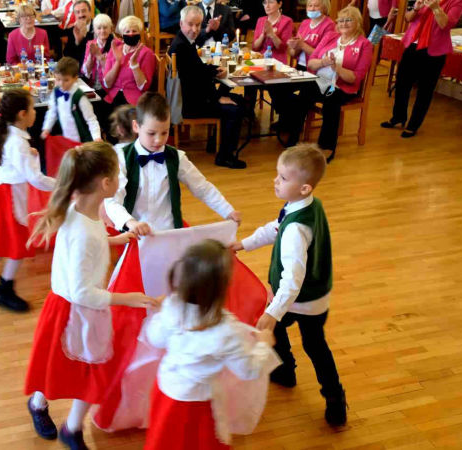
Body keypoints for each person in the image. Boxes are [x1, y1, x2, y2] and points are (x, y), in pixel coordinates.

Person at [93, 92, 241, 429]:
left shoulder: (177, 157)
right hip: (141, 243)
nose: (159, 140)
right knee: (137, 314)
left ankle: (178, 371)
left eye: (164, 132)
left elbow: (202, 187)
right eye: (151, 133)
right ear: (136, 127)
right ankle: (135, 390)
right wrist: (129, 222)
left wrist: (227, 210)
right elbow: (112, 200)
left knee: (177, 305)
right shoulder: (121, 157)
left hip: (173, 241)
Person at [24, 141, 155, 450]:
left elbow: (88, 243)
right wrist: (128, 298)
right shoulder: (83, 230)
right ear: (106, 183)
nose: (120, 179)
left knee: (82, 370)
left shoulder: (82, 210)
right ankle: (43, 407)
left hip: (72, 308)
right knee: (75, 370)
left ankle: (71, 427)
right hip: (76, 310)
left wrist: (115, 239)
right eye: (118, 174)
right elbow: (82, 291)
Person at [230, 144, 347, 426]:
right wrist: (244, 244)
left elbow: (293, 279)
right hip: (310, 296)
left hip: (300, 299)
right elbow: (276, 227)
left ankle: (329, 395)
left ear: (304, 188)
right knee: (307, 342)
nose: (276, 181)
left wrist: (273, 312)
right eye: (277, 174)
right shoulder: (307, 205)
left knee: (305, 341)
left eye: (283, 178)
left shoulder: (296, 228)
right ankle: (295, 377)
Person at [143, 240, 279, 450]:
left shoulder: (172, 306)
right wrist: (263, 344)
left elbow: (155, 338)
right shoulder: (226, 329)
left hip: (166, 390)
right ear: (222, 287)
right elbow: (249, 371)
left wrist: (160, 312)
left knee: (167, 440)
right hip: (196, 403)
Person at [0, 89, 56, 312]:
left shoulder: (11, 135)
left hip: (4, 192)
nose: (35, 113)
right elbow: (35, 178)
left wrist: (29, 154)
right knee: (18, 243)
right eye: (32, 109)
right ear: (22, 114)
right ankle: (6, 291)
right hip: (8, 196)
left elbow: (16, 162)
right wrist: (60, 184)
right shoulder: (17, 142)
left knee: (6, 239)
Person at [283, 6, 372, 163]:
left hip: (343, 87)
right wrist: (323, 62)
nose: (343, 23)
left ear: (358, 22)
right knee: (304, 92)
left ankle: (326, 147)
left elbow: (356, 78)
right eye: (341, 20)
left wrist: (337, 68)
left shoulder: (364, 44)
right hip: (321, 81)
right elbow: (311, 62)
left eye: (348, 20)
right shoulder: (331, 36)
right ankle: (293, 139)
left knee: (332, 100)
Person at [169, 5, 247, 169]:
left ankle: (215, 141)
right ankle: (225, 156)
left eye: (198, 25)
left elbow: (196, 70)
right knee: (234, 109)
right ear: (181, 23)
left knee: (239, 100)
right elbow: (193, 82)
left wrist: (214, 70)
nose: (195, 29)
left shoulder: (183, 40)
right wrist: (217, 97)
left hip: (193, 96)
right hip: (190, 103)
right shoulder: (181, 46)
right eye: (190, 24)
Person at [381, 0, 462, 138]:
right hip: (413, 45)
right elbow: (408, 18)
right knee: (401, 83)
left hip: (434, 51)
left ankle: (413, 125)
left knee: (425, 90)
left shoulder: (457, 1)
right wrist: (415, 9)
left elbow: (445, 24)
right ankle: (398, 117)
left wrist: (436, 8)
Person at [41, 57, 101, 143]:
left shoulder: (79, 96)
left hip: (83, 141)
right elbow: (52, 112)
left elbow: (91, 119)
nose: (61, 84)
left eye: (66, 80)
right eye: (58, 79)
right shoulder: (56, 92)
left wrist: (97, 137)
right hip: (67, 138)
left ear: (75, 79)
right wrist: (46, 128)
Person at [102, 15, 156, 107]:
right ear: (122, 34)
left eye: (134, 31)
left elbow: (144, 87)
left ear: (140, 33)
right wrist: (118, 62)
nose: (131, 34)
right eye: (127, 31)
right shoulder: (115, 50)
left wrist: (134, 65)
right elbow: (107, 84)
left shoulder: (147, 53)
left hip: (134, 101)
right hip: (112, 98)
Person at [288, 0, 335, 71]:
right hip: (300, 65)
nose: (312, 9)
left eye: (316, 6)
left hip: (317, 69)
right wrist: (293, 45)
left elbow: (322, 55)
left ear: (324, 8)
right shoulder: (305, 23)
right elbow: (293, 53)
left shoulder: (329, 25)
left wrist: (302, 45)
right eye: (310, 6)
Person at [253, 0, 294, 65]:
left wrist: (272, 35)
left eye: (271, 2)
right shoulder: (260, 20)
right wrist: (263, 35)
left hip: (277, 62)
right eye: (265, 2)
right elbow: (254, 48)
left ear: (280, 4)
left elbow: (282, 48)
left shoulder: (287, 21)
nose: (267, 6)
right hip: (260, 60)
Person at [82, 13, 114, 92]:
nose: (102, 31)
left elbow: (112, 71)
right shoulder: (90, 43)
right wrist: (90, 55)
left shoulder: (116, 45)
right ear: (95, 30)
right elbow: (86, 70)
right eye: (99, 28)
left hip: (109, 87)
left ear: (110, 29)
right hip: (92, 85)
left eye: (105, 27)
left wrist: (99, 55)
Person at [62, 0, 94, 65]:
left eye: (84, 11)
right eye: (77, 12)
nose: (81, 15)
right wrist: (77, 42)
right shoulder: (72, 30)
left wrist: (86, 36)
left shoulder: (98, 27)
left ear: (90, 12)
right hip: (78, 67)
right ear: (75, 15)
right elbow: (67, 55)